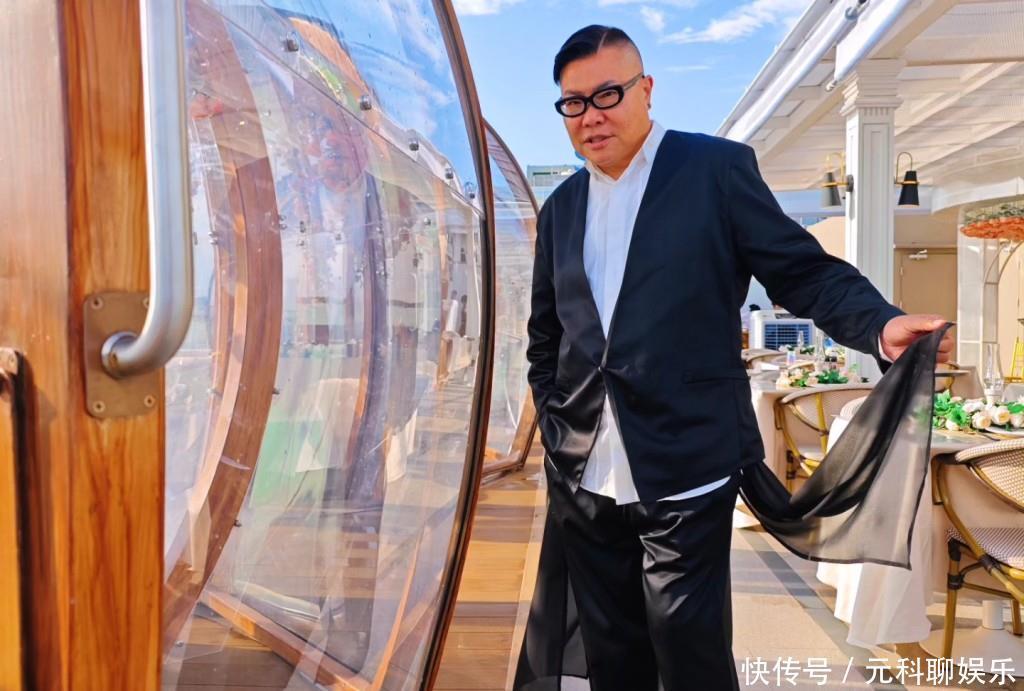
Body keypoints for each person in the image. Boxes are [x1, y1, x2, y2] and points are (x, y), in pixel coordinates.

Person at [523, 25, 953, 691]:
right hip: (585, 469)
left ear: (646, 89)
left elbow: (801, 271)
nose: (592, 115)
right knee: (611, 651)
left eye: (608, 94)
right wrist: (556, 427)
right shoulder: (560, 209)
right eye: (573, 103)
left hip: (687, 459)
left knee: (688, 647)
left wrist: (879, 324)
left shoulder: (714, 171)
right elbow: (546, 337)